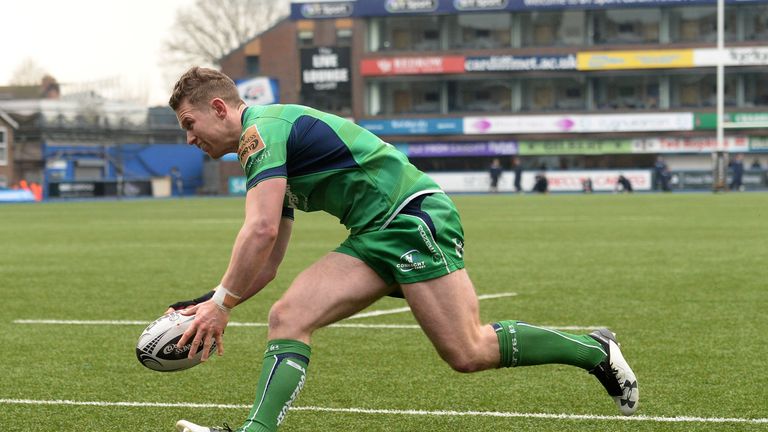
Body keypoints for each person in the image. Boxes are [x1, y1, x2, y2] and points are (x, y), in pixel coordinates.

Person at [165, 67, 639, 432]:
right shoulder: (262, 151)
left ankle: (593, 350)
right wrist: (214, 302)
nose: (188, 138)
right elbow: (267, 261)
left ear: (221, 108)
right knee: (288, 316)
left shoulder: (261, 133)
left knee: (468, 350)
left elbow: (261, 230)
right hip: (374, 235)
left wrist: (223, 304)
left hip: (412, 219)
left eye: (190, 123)